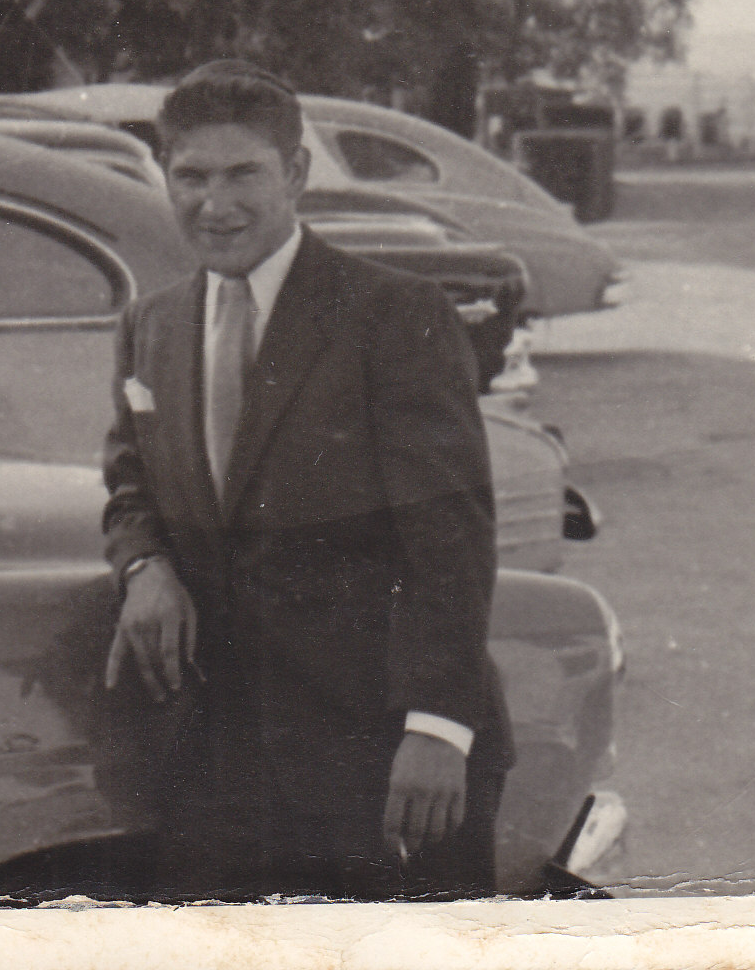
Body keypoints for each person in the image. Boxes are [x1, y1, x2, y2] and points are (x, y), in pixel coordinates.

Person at [100, 60, 512, 901]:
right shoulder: (151, 324)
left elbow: (450, 537)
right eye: (192, 177)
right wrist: (145, 566)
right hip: (219, 762)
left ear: (295, 174)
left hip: (383, 757)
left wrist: (438, 728)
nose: (215, 203)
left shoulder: (394, 314)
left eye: (243, 174)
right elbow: (130, 479)